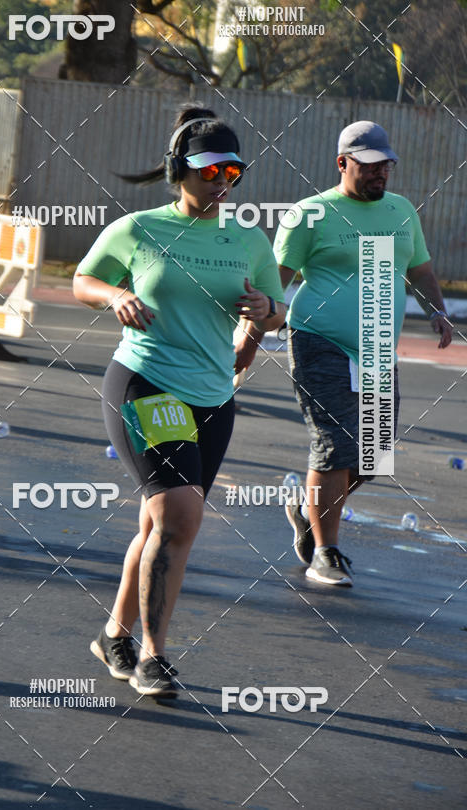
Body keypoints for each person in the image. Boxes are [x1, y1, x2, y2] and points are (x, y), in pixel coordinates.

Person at [73, 105, 286, 696]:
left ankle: (114, 634)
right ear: (179, 170)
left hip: (214, 397)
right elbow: (81, 280)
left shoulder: (247, 240)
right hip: (146, 384)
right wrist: (114, 295)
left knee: (156, 523)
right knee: (180, 518)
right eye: (210, 171)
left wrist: (264, 318)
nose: (222, 183)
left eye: (233, 173)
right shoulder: (139, 229)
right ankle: (152, 657)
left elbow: (276, 308)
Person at [269, 120, 452, 587]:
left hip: (375, 345)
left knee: (372, 453)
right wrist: (249, 339)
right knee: (334, 443)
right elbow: (277, 282)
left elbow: (421, 267)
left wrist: (438, 312)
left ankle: (305, 508)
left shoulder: (401, 210)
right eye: (369, 166)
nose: (379, 174)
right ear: (342, 163)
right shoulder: (311, 213)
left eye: (385, 166)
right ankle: (326, 552)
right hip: (318, 339)